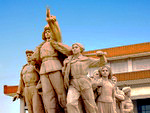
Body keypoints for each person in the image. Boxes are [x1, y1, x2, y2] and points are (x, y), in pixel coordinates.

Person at [31, 8, 71, 113]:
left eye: (49, 31)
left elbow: (57, 33)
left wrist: (52, 22)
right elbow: (34, 59)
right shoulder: (40, 46)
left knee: (61, 92)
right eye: (46, 32)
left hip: (54, 67)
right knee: (48, 94)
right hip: (44, 70)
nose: (48, 33)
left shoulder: (55, 42)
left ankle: (67, 109)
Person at [62, 42, 107, 113]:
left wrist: (101, 56)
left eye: (76, 47)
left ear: (80, 49)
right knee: (70, 103)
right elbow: (64, 72)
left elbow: (101, 63)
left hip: (84, 82)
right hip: (73, 83)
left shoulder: (86, 59)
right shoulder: (69, 60)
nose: (74, 49)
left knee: (90, 104)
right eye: (73, 48)